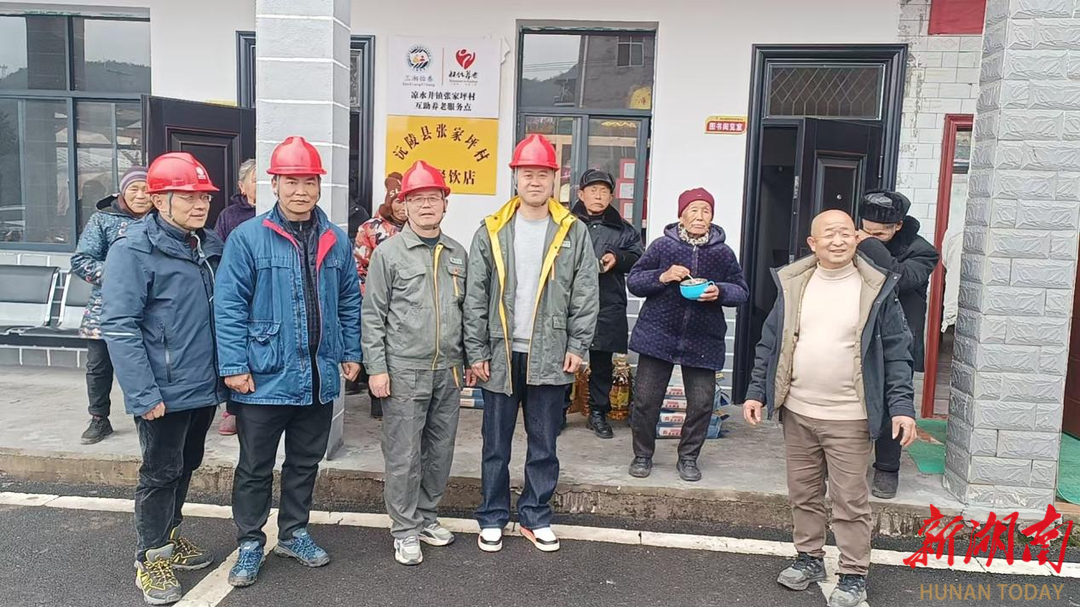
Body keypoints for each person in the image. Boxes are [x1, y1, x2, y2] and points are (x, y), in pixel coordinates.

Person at [743, 210, 917, 607]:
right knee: (803, 494)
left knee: (850, 500)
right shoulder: (794, 283)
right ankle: (809, 558)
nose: (837, 241)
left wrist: (902, 407)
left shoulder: (876, 288)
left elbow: (897, 352)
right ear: (813, 243)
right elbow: (771, 343)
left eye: (844, 233)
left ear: (857, 238)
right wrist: (756, 392)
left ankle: (854, 574)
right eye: (828, 234)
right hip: (798, 411)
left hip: (851, 417)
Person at [214, 136, 362, 588]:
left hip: (317, 375)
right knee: (255, 467)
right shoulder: (248, 238)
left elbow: (349, 301)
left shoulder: (336, 238)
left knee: (304, 463)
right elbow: (229, 305)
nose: (301, 191)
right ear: (273, 184)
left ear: (319, 186)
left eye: (309, 182)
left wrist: (351, 351)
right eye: (291, 181)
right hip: (264, 375)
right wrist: (233, 364)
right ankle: (250, 542)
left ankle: (294, 532)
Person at [464, 134, 599, 554]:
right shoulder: (492, 230)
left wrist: (578, 344)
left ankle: (535, 515)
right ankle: (492, 516)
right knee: (495, 444)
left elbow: (585, 292)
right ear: (516, 178)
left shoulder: (573, 231)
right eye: (527, 174)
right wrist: (476, 351)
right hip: (500, 354)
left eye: (543, 174)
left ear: (555, 179)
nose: (535, 181)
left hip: (551, 353)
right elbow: (475, 295)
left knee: (544, 443)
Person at [100, 153, 225, 605]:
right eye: (187, 196)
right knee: (159, 472)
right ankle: (150, 557)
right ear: (158, 200)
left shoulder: (205, 246)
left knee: (186, 465)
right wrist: (143, 393)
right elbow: (120, 325)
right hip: (162, 391)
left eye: (204, 196)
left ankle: (170, 537)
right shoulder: (133, 250)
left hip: (201, 385)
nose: (199, 204)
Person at [362, 160, 475, 566]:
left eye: (433, 198)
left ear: (445, 203)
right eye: (418, 199)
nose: (426, 205)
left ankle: (427, 517)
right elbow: (373, 314)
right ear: (404, 205)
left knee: (440, 451)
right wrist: (377, 368)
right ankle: (404, 529)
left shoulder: (457, 253)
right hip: (404, 370)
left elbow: (468, 312)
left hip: (449, 369)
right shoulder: (388, 254)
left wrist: (471, 359)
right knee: (404, 455)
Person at [626, 188, 748, 482]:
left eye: (706, 211)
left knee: (702, 403)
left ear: (712, 217)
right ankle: (642, 455)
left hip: (703, 338)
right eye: (693, 210)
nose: (699, 216)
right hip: (658, 334)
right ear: (681, 215)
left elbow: (741, 291)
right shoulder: (661, 246)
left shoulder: (723, 253)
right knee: (645, 401)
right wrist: (663, 276)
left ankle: (689, 457)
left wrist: (719, 291)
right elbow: (635, 282)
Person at [856, 190, 939, 500]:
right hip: (859, 331)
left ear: (898, 226)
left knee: (894, 403)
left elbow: (900, 279)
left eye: (879, 234)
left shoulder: (922, 252)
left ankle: (887, 469)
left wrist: (868, 244)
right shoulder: (851, 239)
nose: (870, 236)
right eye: (866, 229)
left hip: (897, 337)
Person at [71, 166, 153, 445]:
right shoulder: (103, 220)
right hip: (105, 308)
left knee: (149, 363)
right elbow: (81, 260)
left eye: (147, 189)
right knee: (99, 366)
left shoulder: (161, 221)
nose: (141, 195)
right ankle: (98, 418)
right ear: (122, 192)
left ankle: (150, 415)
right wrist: (119, 274)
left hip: (151, 308)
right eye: (134, 189)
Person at [571, 169, 643, 439]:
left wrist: (617, 256)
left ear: (611, 197)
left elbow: (638, 257)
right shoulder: (566, 223)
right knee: (561, 356)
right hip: (568, 300)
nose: (598, 196)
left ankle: (598, 413)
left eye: (603, 191)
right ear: (581, 194)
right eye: (593, 190)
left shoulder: (623, 229)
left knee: (602, 361)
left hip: (608, 300)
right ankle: (558, 410)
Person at [212, 158, 258, 437]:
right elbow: (219, 252)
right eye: (255, 179)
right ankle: (231, 409)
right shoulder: (229, 216)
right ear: (242, 186)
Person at [354, 171, 405, 418]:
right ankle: (376, 399)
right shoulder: (370, 228)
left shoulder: (418, 227)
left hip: (405, 304)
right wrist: (369, 295)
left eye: (406, 201)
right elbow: (359, 266)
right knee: (377, 345)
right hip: (376, 299)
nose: (403, 207)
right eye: (398, 202)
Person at [213, 158, 258, 242]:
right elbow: (217, 245)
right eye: (256, 181)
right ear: (242, 186)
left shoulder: (276, 211)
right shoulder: (228, 215)